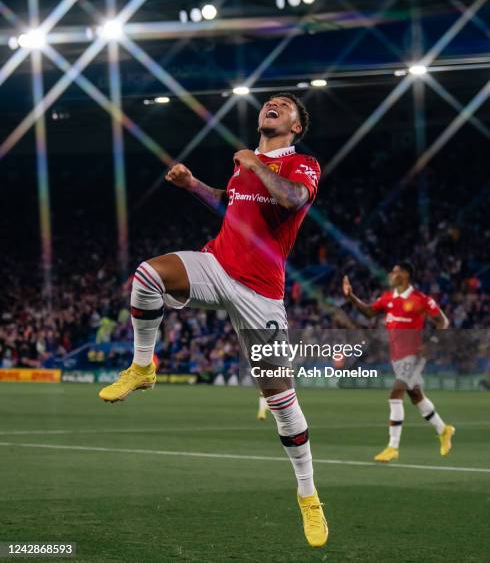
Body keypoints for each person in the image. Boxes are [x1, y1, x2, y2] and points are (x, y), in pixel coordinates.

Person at [99, 93, 328, 548]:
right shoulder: (246, 167)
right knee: (147, 276)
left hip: (261, 292)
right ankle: (143, 367)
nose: (272, 106)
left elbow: (292, 200)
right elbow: (230, 205)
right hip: (217, 264)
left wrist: (253, 162)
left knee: (281, 401)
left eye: (284, 105)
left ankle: (308, 494)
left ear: (297, 126)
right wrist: (192, 185)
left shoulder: (302, 164)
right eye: (269, 102)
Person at [343, 263, 455, 462]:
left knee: (395, 394)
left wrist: (433, 342)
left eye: (394, 271)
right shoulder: (388, 298)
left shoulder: (420, 299)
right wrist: (351, 297)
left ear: (405, 274)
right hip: (397, 355)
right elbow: (369, 312)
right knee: (416, 396)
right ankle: (443, 429)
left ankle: (392, 447)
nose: (391, 274)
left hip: (414, 355)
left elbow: (442, 321)